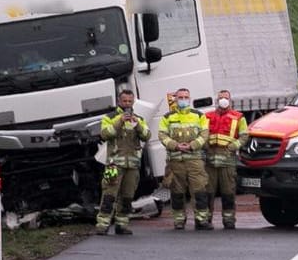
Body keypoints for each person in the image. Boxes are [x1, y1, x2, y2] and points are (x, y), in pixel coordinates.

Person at [94, 88, 149, 236]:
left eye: (130, 101)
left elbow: (146, 136)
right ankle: (102, 224)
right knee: (109, 195)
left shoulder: (138, 118)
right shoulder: (109, 117)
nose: (127, 104)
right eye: (124, 101)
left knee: (127, 196)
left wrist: (137, 124)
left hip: (132, 165)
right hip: (114, 164)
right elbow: (105, 134)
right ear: (119, 101)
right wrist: (119, 121)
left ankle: (122, 224)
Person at [160, 87, 212, 230]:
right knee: (177, 192)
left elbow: (205, 134)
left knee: (199, 191)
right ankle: (179, 220)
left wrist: (192, 145)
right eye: (180, 97)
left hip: (195, 160)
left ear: (189, 98)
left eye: (185, 97)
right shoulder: (167, 117)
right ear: (175, 99)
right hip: (175, 161)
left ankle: (201, 220)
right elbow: (162, 136)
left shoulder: (199, 116)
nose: (183, 100)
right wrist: (176, 145)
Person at [204, 88, 249, 229]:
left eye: (226, 98)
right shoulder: (207, 116)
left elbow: (244, 136)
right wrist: (205, 147)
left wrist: (232, 147)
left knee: (228, 191)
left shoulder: (238, 117)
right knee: (208, 192)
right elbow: (203, 134)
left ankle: (229, 220)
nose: (223, 100)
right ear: (217, 100)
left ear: (230, 100)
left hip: (228, 160)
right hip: (210, 160)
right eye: (221, 98)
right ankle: (206, 220)